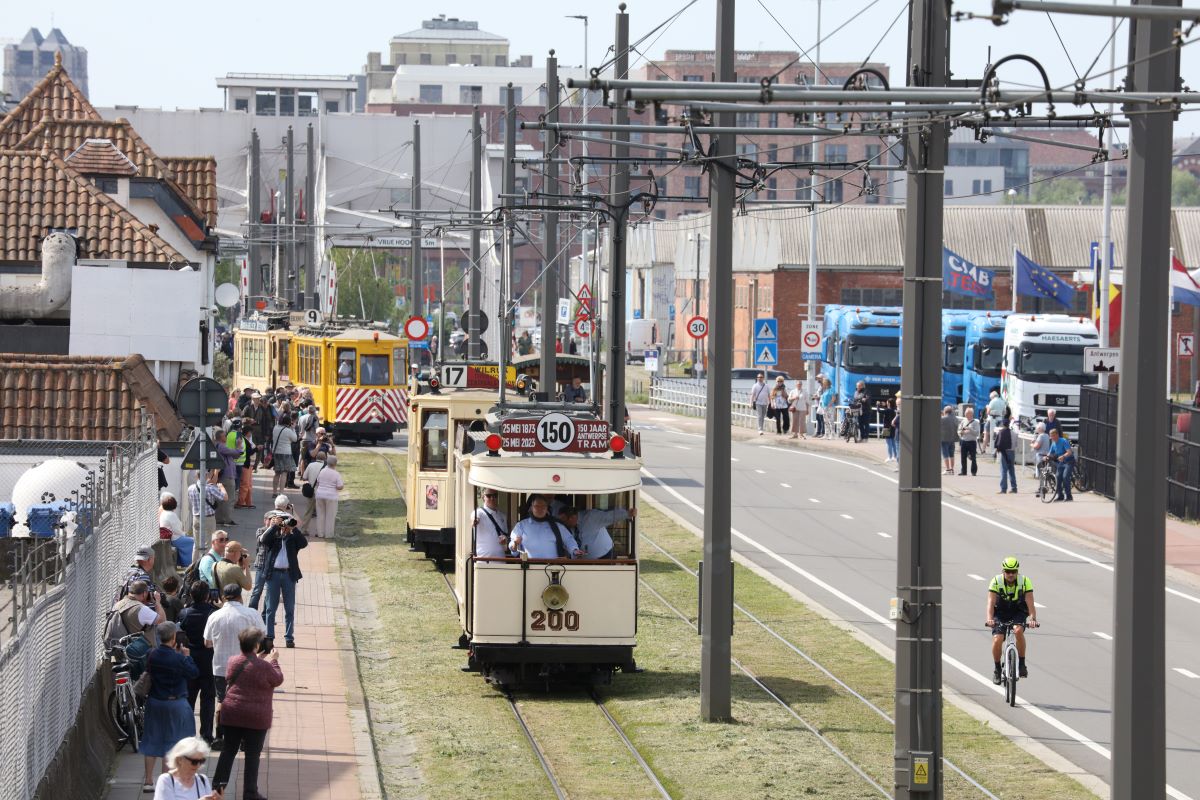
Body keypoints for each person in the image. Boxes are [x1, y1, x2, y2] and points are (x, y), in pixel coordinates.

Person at [211, 627, 284, 800]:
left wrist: (259, 659)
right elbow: (277, 679)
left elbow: (247, 670)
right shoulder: (265, 667)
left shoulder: (233, 661)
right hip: (256, 717)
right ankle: (250, 793)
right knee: (252, 755)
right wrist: (274, 661)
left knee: (228, 751)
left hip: (233, 713)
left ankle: (217, 788)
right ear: (257, 645)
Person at [203, 584, 266, 744]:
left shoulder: (215, 616)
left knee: (221, 701)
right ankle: (244, 739)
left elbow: (207, 643)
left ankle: (219, 736)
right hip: (246, 666)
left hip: (220, 666)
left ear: (224, 597)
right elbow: (262, 635)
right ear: (240, 596)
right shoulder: (251, 614)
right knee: (245, 701)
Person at [140, 621, 198, 792]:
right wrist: (187, 656)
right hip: (175, 703)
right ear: (174, 637)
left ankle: (148, 781)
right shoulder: (179, 658)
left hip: (155, 701)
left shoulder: (152, 654)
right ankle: (165, 782)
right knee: (172, 741)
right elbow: (193, 673)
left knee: (151, 738)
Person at [177, 581, 219, 747]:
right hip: (209, 660)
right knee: (208, 699)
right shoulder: (214, 613)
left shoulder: (184, 613)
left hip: (190, 660)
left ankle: (186, 734)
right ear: (208, 595)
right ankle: (207, 735)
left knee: (188, 699)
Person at [986, 556, 1039, 684]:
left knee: (1018, 630)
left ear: (1017, 571)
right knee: (998, 638)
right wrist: (989, 619)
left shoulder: (1025, 581)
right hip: (1000, 611)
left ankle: (1021, 664)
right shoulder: (996, 581)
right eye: (1007, 571)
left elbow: (1030, 603)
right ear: (1003, 571)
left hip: (1018, 611)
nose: (1010, 574)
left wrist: (1033, 619)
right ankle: (997, 669)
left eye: (1013, 571)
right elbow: (991, 602)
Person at [259, 514, 309, 647]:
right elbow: (263, 540)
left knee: (289, 607)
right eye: (284, 523)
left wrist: (294, 528)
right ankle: (269, 636)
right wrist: (274, 526)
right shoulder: (273, 537)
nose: (285, 526)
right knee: (270, 607)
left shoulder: (292, 538)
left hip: (289, 574)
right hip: (273, 575)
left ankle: (289, 637)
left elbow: (304, 543)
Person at [111, 580, 165, 678]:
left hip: (118, 649)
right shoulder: (141, 609)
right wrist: (157, 602)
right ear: (144, 593)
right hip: (138, 652)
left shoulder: (118, 604)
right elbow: (162, 620)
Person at [510, 494, 582, 558]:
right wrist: (515, 544)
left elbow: (568, 539)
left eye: (543, 506)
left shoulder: (557, 525)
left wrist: (574, 550)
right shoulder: (521, 525)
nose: (540, 509)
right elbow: (513, 549)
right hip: (529, 568)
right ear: (531, 508)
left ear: (547, 508)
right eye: (537, 506)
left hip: (552, 569)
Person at [556, 503, 637, 559]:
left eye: (564, 521)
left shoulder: (592, 516)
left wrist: (627, 514)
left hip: (605, 557)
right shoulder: (569, 527)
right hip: (585, 561)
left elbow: (610, 516)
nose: (563, 524)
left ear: (572, 518)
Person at [153, 736, 218, 800]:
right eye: (194, 762)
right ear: (180, 760)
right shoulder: (166, 780)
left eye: (201, 761)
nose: (198, 765)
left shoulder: (202, 780)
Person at [311, 454, 346, 539]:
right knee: (330, 516)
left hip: (320, 495)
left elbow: (318, 483)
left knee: (320, 515)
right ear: (335, 464)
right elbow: (340, 486)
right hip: (331, 496)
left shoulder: (322, 471)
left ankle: (320, 533)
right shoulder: (336, 474)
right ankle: (329, 534)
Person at [187, 471, 227, 536]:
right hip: (208, 518)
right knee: (209, 541)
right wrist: (221, 487)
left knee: (197, 542)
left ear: (197, 477)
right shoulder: (210, 488)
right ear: (206, 476)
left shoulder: (190, 488)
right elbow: (225, 498)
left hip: (196, 517)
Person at [473, 489, 510, 557]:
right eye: (489, 496)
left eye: (495, 495)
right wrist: (475, 520)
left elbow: (506, 535)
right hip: (484, 560)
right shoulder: (478, 512)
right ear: (483, 497)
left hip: (501, 560)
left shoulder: (502, 516)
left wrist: (505, 539)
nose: (492, 498)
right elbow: (473, 519)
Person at [270, 413, 299, 495]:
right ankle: (281, 492)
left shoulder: (275, 428)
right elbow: (295, 439)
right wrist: (293, 428)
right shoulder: (288, 430)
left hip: (276, 452)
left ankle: (274, 492)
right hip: (286, 453)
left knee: (277, 473)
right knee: (284, 473)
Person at [1047, 428, 1075, 501]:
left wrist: (1063, 456)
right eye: (1051, 436)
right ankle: (1060, 496)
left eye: (1053, 436)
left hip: (1069, 461)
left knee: (1065, 477)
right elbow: (1050, 453)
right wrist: (1046, 457)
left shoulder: (1063, 441)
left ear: (1057, 435)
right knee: (1057, 477)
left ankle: (1069, 496)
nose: (1051, 437)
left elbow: (1069, 452)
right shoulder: (1053, 444)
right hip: (1061, 463)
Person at [235, 419, 257, 509]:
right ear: (247, 432)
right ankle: (241, 502)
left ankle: (248, 502)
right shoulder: (245, 440)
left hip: (248, 464)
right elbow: (249, 452)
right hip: (245, 464)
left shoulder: (246, 440)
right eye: (250, 432)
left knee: (248, 484)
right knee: (245, 484)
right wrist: (256, 449)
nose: (251, 434)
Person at [994, 417, 1017, 494]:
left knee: (1003, 470)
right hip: (1012, 452)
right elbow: (1015, 444)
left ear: (1003, 424)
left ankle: (1003, 489)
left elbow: (998, 444)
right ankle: (1014, 488)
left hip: (1004, 452)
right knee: (1011, 470)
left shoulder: (1001, 432)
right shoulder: (1014, 433)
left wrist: (997, 450)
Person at [957, 406, 980, 476]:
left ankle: (974, 471)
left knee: (973, 457)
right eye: (965, 413)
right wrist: (961, 433)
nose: (965, 415)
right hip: (964, 441)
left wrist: (970, 429)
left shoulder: (976, 422)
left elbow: (977, 433)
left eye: (967, 414)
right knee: (963, 457)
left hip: (972, 442)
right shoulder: (963, 421)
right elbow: (958, 430)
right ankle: (964, 471)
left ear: (971, 414)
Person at [1031, 422, 1051, 497]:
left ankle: (1041, 489)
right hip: (1046, 456)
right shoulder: (1046, 435)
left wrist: (1032, 444)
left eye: (1037, 428)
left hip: (1040, 456)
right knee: (1044, 473)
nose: (1036, 429)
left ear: (1040, 428)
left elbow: (1037, 446)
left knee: (1041, 474)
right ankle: (1042, 488)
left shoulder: (1041, 436)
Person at [985, 390, 1007, 454]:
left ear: (992, 397)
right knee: (997, 435)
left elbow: (988, 412)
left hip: (991, 420)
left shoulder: (992, 401)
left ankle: (983, 449)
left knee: (986, 434)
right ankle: (996, 450)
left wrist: (987, 407)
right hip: (1000, 420)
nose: (990, 399)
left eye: (990, 398)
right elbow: (1004, 412)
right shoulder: (1002, 402)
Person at [940, 405, 959, 475]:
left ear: (945, 411)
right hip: (953, 439)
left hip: (944, 439)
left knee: (945, 454)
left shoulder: (942, 419)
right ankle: (952, 469)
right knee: (952, 455)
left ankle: (947, 469)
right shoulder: (955, 419)